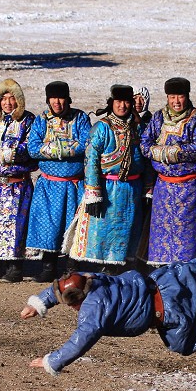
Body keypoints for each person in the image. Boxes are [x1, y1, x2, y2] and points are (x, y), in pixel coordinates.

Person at [21, 243, 196, 374]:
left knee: (186, 343)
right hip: (167, 278)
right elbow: (64, 285)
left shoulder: (93, 311)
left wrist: (52, 361)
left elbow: (79, 341)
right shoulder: (94, 279)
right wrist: (39, 303)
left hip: (171, 312)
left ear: (77, 302)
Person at [64, 85, 146, 268]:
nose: (122, 106)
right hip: (106, 188)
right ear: (111, 103)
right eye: (118, 102)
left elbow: (144, 158)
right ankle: (87, 266)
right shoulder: (101, 128)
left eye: (126, 102)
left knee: (125, 231)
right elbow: (91, 159)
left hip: (131, 190)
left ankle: (117, 267)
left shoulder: (138, 127)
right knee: (99, 229)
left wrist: (147, 187)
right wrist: (93, 192)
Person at [140, 77, 196, 266]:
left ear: (187, 96)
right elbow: (144, 145)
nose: (176, 101)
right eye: (172, 97)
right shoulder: (158, 118)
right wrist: (169, 151)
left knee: (189, 236)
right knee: (161, 236)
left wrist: (166, 151)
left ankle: (188, 273)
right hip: (163, 188)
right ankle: (161, 273)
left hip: (190, 190)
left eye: (180, 96)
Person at [26, 81, 91, 282]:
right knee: (49, 225)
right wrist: (65, 149)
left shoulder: (80, 118)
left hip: (74, 183)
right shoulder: (41, 120)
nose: (57, 102)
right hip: (49, 184)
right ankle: (48, 266)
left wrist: (52, 148)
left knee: (73, 225)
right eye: (53, 98)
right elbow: (32, 148)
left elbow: (85, 145)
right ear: (48, 100)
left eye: (61, 98)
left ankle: (72, 267)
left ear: (67, 99)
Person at [0, 79, 36, 282]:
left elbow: (29, 146)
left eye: (12, 98)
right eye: (3, 98)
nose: (8, 103)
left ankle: (15, 266)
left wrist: (9, 154)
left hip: (17, 183)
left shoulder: (28, 121)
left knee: (17, 225)